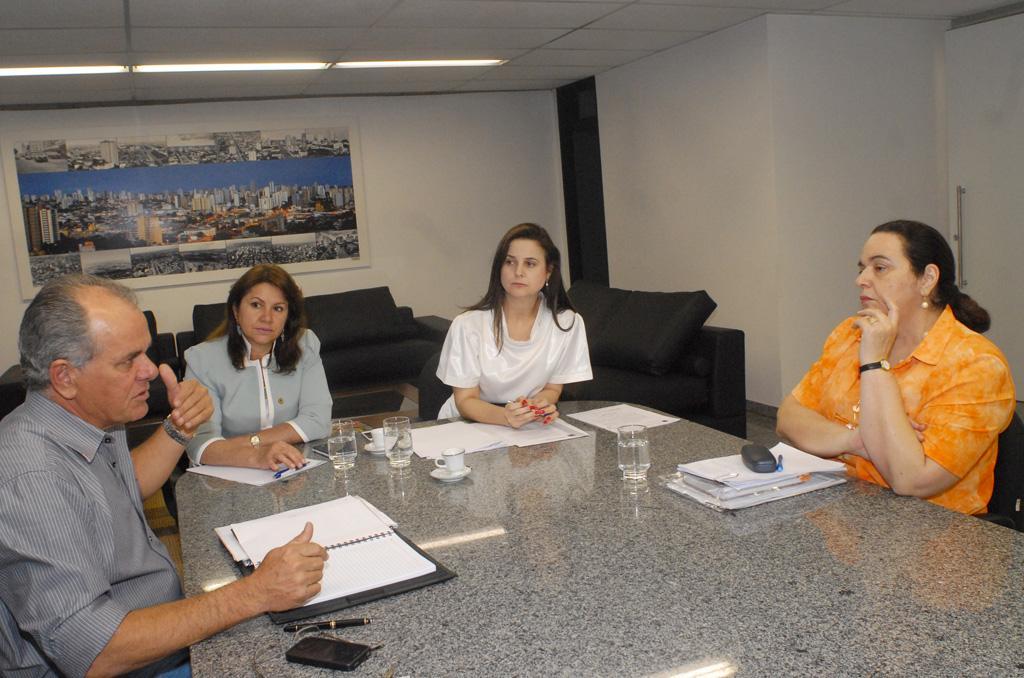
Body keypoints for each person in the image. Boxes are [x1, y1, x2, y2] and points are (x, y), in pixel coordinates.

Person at [0, 274, 328, 677]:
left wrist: (181, 426)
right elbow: (95, 651)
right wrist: (254, 593)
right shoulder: (30, 476)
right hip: (133, 662)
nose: (150, 371)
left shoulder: (90, 419)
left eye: (146, 353)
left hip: (160, 629)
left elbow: (122, 488)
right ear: (65, 376)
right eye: (128, 360)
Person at [777, 220, 1015, 515]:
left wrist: (875, 363)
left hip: (934, 536)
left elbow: (912, 481)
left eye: (880, 268)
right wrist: (856, 439)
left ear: (927, 279)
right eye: (861, 268)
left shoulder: (976, 364)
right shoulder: (850, 334)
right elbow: (788, 417)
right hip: (841, 513)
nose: (861, 279)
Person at [436, 223, 592, 427]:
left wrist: (537, 406)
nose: (518, 272)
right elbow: (465, 401)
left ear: (548, 272)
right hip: (469, 423)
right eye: (510, 262)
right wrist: (506, 417)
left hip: (527, 424)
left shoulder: (566, 323)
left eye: (530, 264)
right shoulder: (468, 325)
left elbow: (553, 389)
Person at [184, 264, 332, 469]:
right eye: (256, 305)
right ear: (236, 310)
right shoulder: (203, 360)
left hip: (293, 467)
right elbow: (200, 445)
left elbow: (319, 420)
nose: (267, 318)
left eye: (278, 308)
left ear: (288, 315)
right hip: (229, 476)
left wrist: (244, 443)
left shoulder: (305, 345)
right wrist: (257, 453)